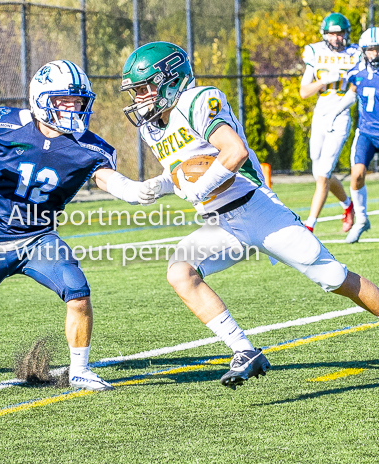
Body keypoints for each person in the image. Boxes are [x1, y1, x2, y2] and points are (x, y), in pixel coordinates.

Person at [120, 41, 379, 389]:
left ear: (170, 79)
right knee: (181, 272)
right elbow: (186, 169)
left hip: (257, 210)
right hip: (222, 223)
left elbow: (234, 151)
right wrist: (158, 185)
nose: (140, 99)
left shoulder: (198, 101)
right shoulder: (153, 126)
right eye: (136, 91)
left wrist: (199, 188)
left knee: (335, 278)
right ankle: (244, 350)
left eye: (144, 89)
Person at [0, 60, 157, 391]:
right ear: (41, 98)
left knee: (78, 293)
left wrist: (131, 190)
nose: (73, 108)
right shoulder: (6, 124)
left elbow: (105, 177)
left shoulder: (87, 146)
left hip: (38, 238)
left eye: (78, 101)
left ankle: (79, 370)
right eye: (64, 100)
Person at [299, 12, 359, 233]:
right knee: (319, 171)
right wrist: (324, 80)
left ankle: (309, 225)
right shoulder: (315, 52)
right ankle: (347, 205)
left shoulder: (356, 54)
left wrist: (340, 106)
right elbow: (304, 92)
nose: (336, 38)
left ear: (346, 34)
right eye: (332, 34)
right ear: (325, 35)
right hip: (320, 114)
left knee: (323, 173)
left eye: (340, 33)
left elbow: (356, 88)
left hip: (341, 114)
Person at [324, 27, 379, 243]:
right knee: (356, 175)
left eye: (378, 49)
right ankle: (362, 219)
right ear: (364, 51)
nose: (374, 54)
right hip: (366, 132)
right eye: (371, 50)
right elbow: (353, 94)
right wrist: (334, 113)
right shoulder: (356, 72)